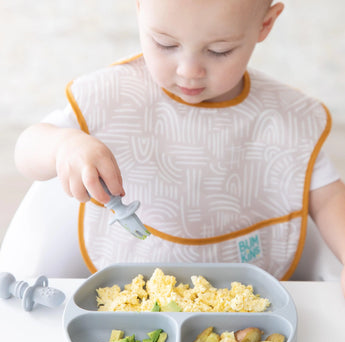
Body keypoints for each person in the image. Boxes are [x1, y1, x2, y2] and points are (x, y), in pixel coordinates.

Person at [2, 0, 345, 294]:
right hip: (130, 296)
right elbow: (26, 151)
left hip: (246, 299)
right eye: (165, 44)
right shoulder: (114, 97)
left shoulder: (284, 117)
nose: (189, 71)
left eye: (219, 50)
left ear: (264, 24)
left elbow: (328, 198)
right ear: (140, 8)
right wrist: (64, 146)